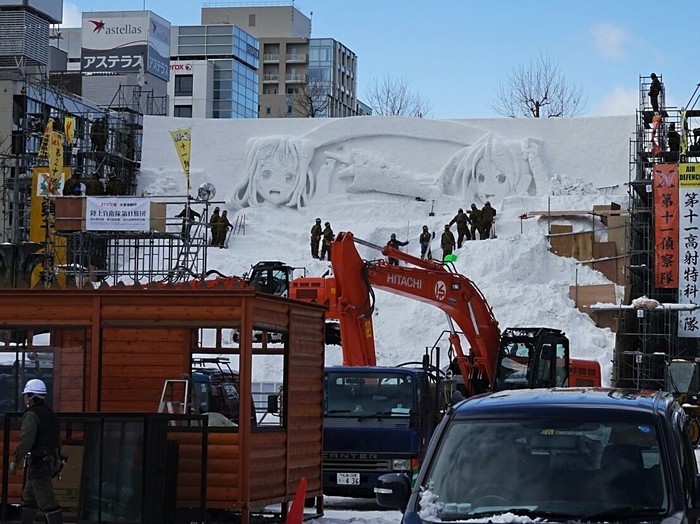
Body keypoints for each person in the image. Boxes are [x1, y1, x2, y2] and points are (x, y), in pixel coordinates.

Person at [10, 379, 63, 524]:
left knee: (47, 500)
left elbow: (26, 440)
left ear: (32, 396)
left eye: (26, 395)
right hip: (49, 459)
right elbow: (57, 440)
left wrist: (16, 460)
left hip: (39, 462)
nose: (25, 398)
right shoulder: (51, 415)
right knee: (29, 496)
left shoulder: (32, 414)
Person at [231, 136, 316, 210]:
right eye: (266, 175)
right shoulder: (247, 215)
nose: (277, 183)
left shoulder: (299, 218)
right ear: (253, 174)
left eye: (289, 177)